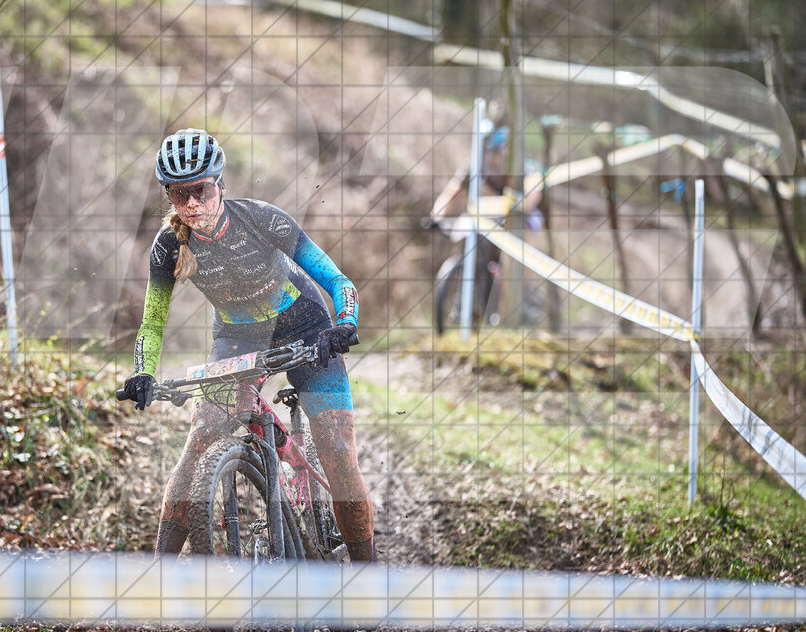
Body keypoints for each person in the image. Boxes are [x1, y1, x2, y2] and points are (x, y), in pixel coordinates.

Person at [119, 128, 376, 561]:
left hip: (306, 327)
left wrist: (345, 322)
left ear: (220, 183)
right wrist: (142, 371)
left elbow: (337, 279)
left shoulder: (262, 218)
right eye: (179, 196)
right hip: (237, 338)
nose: (192, 204)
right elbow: (151, 323)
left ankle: (368, 579)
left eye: (200, 190)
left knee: (336, 448)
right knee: (199, 441)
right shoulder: (167, 247)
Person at [427, 125, 544, 325]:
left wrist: (524, 204)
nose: (490, 158)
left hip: (524, 215)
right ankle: (466, 303)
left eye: (494, 152)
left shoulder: (519, 167)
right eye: (486, 152)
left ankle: (523, 295)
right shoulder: (475, 167)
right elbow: (451, 193)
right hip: (494, 215)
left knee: (518, 244)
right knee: (473, 244)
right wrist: (435, 216)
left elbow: (536, 187)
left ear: (504, 150)